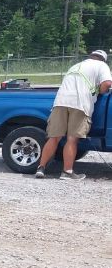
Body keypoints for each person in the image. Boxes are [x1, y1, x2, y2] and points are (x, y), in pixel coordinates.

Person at [36, 49, 112, 180]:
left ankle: (41, 168)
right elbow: (106, 84)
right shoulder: (101, 65)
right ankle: (67, 172)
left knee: (54, 137)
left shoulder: (76, 66)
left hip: (60, 102)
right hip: (80, 104)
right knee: (72, 139)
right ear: (103, 59)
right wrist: (99, 92)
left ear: (91, 56)